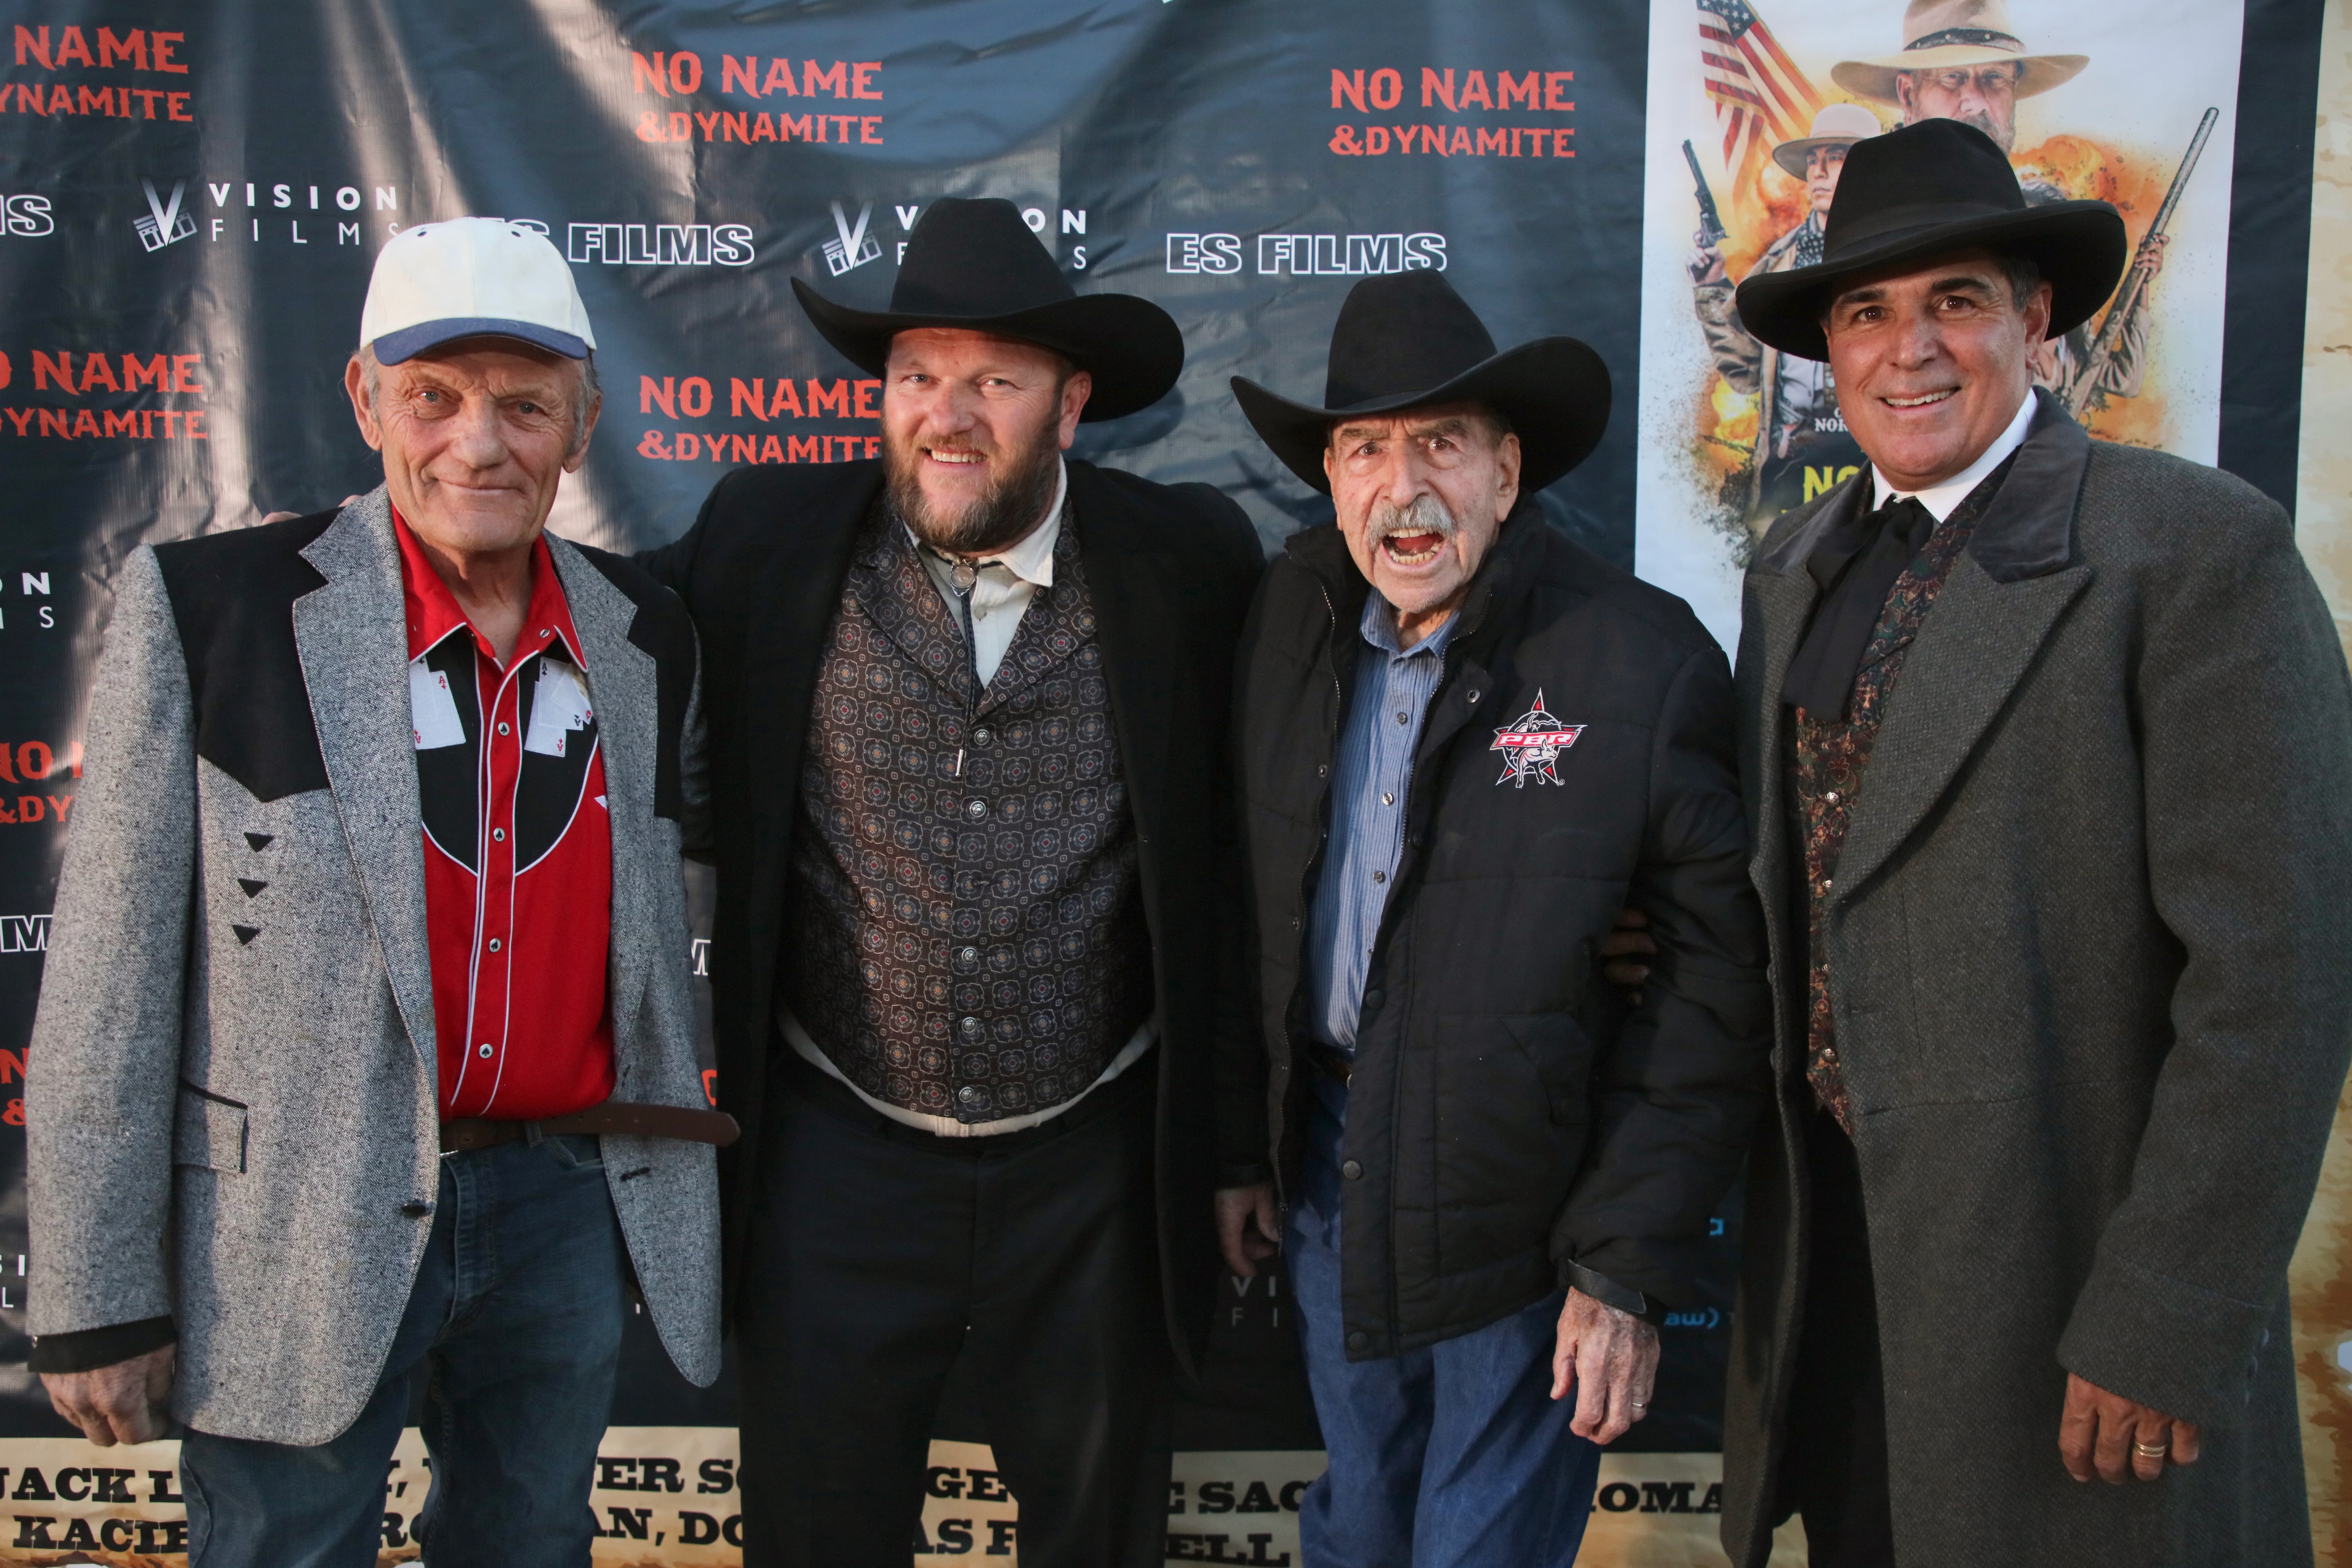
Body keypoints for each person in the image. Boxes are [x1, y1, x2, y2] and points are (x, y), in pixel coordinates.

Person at [24, 216, 730, 1563]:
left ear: (582, 425)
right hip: (289, 1221)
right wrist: (96, 1299)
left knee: (532, 1542)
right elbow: (110, 973)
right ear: (366, 400)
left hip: (560, 1205)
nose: (481, 444)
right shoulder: (210, 607)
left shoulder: (648, 636)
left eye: (525, 406)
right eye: (436, 398)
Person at [1716, 118, 2352, 1567]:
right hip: (1844, 1296)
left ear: (2034, 320)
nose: (1907, 349)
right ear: (1828, 345)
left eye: (1953, 301)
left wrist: (2168, 1309)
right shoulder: (1791, 576)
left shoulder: (2191, 555)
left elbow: (2276, 981)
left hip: (2072, 1304)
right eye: (1866, 311)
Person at [639, 197, 1263, 1567]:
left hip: (1098, 1166)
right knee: (816, 1535)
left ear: (1072, 400)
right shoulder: (764, 540)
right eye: (919, 373)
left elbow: (1271, 821)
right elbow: (581, 654)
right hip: (834, 1157)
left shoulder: (1187, 563)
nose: (949, 411)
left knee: (1099, 1543)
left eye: (996, 377)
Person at [1217, 270, 1772, 1567]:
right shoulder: (1287, 618)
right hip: (1328, 1169)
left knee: (1478, 1549)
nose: (1401, 486)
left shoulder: (1638, 657)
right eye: (1365, 448)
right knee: (1357, 1527)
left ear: (1507, 471)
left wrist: (1626, 1262)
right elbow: (1242, 904)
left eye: (1440, 444)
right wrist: (1236, 1144)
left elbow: (1713, 987)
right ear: (1330, 476)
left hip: (1532, 1197)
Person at [1833, 0, 2155, 405]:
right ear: (1908, 93)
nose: (1976, 103)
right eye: (1952, 80)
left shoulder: (2046, 226)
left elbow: (2100, 368)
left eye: (1993, 80)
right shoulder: (1862, 215)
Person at [1691, 102, 1882, 517]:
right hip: (1789, 480)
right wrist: (1711, 288)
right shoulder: (1780, 261)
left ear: (1871, 168)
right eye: (1814, 160)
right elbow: (1745, 371)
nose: (1819, 171)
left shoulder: (1901, 260)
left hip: (1880, 475)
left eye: (1835, 158)